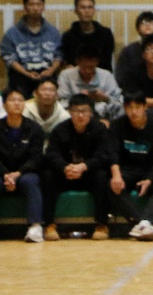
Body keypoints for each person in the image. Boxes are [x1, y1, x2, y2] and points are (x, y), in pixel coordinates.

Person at [0, 88, 46, 243]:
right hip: (0, 173)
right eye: (12, 100)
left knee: (31, 181)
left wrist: (18, 173)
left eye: (20, 100)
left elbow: (36, 158)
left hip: (24, 173)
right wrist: (5, 174)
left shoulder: (35, 129)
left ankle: (35, 226)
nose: (17, 103)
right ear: (4, 105)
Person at [43, 94, 114, 241]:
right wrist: (64, 167)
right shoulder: (60, 130)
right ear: (69, 112)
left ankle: (101, 224)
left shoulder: (99, 129)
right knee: (48, 175)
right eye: (76, 111)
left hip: (89, 174)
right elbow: (51, 154)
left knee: (102, 176)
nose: (80, 115)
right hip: (66, 174)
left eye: (84, 111)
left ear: (91, 112)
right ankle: (49, 224)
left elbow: (104, 155)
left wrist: (84, 166)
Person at [109, 93, 153, 241]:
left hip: (146, 172)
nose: (134, 111)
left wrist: (149, 179)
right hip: (125, 171)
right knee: (111, 187)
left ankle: (142, 224)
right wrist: (116, 176)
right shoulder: (117, 125)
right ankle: (146, 223)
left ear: (145, 107)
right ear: (125, 108)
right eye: (129, 107)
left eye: (137, 107)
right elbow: (112, 153)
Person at [0, 0, 63, 98]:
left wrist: (51, 70)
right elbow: (9, 58)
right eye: (31, 4)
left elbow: (59, 55)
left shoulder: (53, 32)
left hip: (47, 74)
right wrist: (27, 73)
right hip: (22, 75)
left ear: (43, 7)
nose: (35, 8)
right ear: (25, 7)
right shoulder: (12, 33)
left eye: (38, 4)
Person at [57, 46, 123, 122]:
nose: (88, 71)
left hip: (102, 117)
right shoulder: (66, 75)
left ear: (97, 62)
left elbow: (118, 102)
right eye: (84, 67)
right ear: (77, 62)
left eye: (91, 67)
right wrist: (78, 98)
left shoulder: (106, 76)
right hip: (73, 117)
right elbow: (60, 102)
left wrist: (105, 98)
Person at [59, 0, 118, 74]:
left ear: (94, 10)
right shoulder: (68, 36)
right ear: (76, 11)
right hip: (77, 75)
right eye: (83, 8)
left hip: (101, 76)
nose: (87, 11)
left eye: (90, 7)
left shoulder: (105, 34)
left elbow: (106, 62)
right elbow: (70, 62)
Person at [115, 10, 153, 81]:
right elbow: (121, 75)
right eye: (143, 22)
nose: (148, 25)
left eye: (151, 22)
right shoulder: (128, 50)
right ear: (138, 29)